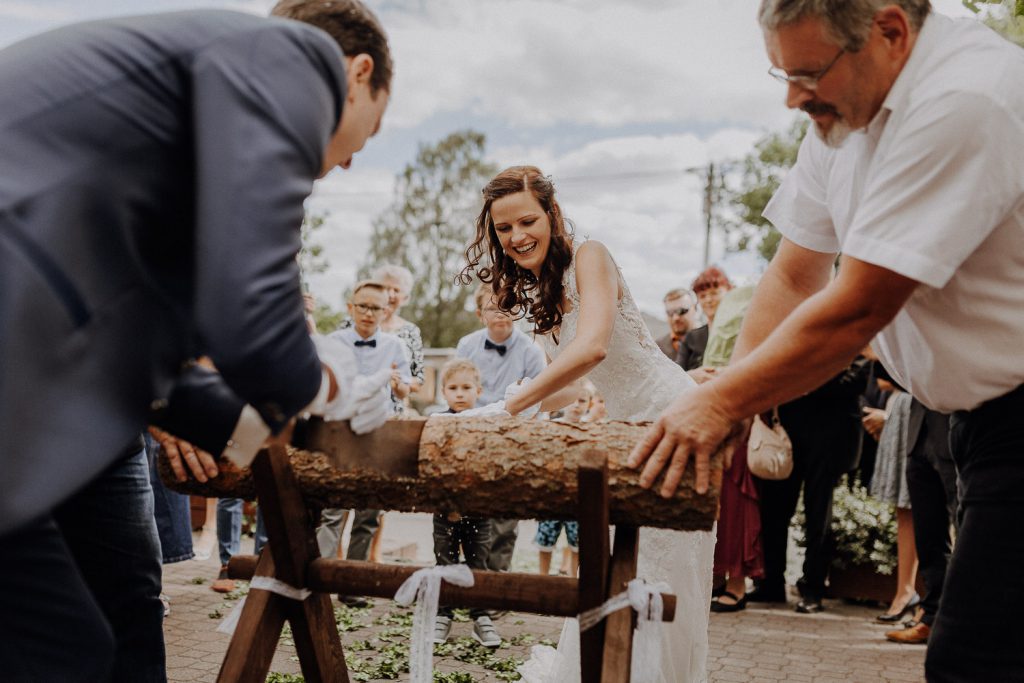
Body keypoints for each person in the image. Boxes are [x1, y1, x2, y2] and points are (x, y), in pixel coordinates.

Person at [0, 2, 394, 679]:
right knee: (62, 649)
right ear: (356, 74)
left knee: (102, 631)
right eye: (373, 128)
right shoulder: (294, 58)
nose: (353, 160)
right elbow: (252, 321)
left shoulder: (181, 150)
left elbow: (141, 354)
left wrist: (270, 433)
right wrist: (327, 382)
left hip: (45, 368)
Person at [630, 2, 1024, 679]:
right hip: (979, 419)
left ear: (890, 32)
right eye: (783, 74)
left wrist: (720, 405)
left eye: (808, 73)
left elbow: (857, 308)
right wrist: (732, 382)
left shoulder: (966, 98)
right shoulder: (841, 117)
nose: (792, 97)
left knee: (972, 659)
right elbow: (794, 273)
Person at [461, 166, 714, 683]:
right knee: (610, 567)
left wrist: (515, 402)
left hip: (669, 416)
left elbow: (594, 345)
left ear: (552, 214)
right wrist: (507, 409)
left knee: (659, 571)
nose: (516, 237)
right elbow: (575, 385)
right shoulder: (542, 288)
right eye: (503, 229)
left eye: (527, 221)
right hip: (622, 430)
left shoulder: (590, 256)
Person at [317, 281, 411, 589]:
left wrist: (397, 384)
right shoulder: (334, 342)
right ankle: (323, 580)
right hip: (339, 433)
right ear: (351, 308)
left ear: (386, 311)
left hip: (378, 434)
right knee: (332, 510)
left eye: (375, 308)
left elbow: (405, 390)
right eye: (363, 306)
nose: (368, 313)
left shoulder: (395, 346)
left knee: (368, 513)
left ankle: (353, 584)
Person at [455, 283, 547, 574]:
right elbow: (455, 388)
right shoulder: (466, 346)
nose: (501, 313)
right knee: (468, 510)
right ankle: (470, 575)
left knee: (505, 514)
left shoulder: (532, 351)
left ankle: (498, 578)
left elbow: (540, 401)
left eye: (508, 305)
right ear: (479, 314)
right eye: (493, 307)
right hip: (473, 436)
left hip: (512, 437)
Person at [430, 359, 501, 647]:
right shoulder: (437, 421)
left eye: (466, 387)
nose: (459, 393)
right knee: (444, 561)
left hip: (478, 510)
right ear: (444, 392)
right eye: (453, 388)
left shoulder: (487, 421)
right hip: (444, 510)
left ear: (478, 391)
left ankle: (480, 616)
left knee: (478, 561)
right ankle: (443, 614)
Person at [865, 370, 921, 625]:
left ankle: (932, 599)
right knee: (905, 506)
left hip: (930, 406)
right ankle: (905, 592)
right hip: (906, 405)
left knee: (937, 506)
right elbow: (882, 380)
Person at [656, 288, 699, 363]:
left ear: (695, 309)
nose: (675, 318)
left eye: (682, 311)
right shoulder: (657, 347)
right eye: (670, 313)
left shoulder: (710, 339)